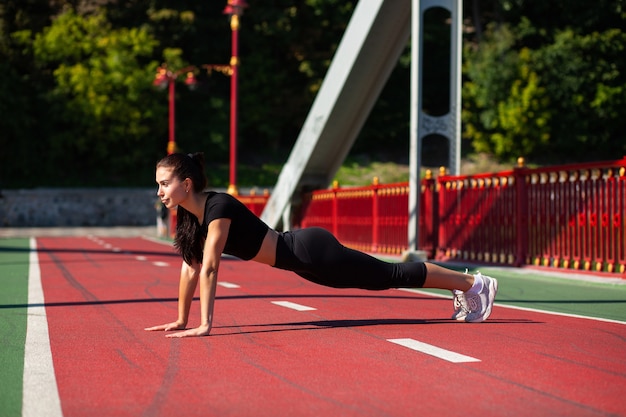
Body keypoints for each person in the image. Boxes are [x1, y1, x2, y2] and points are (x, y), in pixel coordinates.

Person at [145, 153, 498, 338]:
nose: (160, 191)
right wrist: (180, 319)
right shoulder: (189, 216)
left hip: (309, 250)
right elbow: (189, 266)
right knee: (381, 278)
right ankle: (467, 286)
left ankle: (473, 284)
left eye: (164, 184)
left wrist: (205, 324)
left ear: (186, 183)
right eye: (159, 185)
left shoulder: (217, 207)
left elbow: (209, 267)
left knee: (389, 274)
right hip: (303, 263)